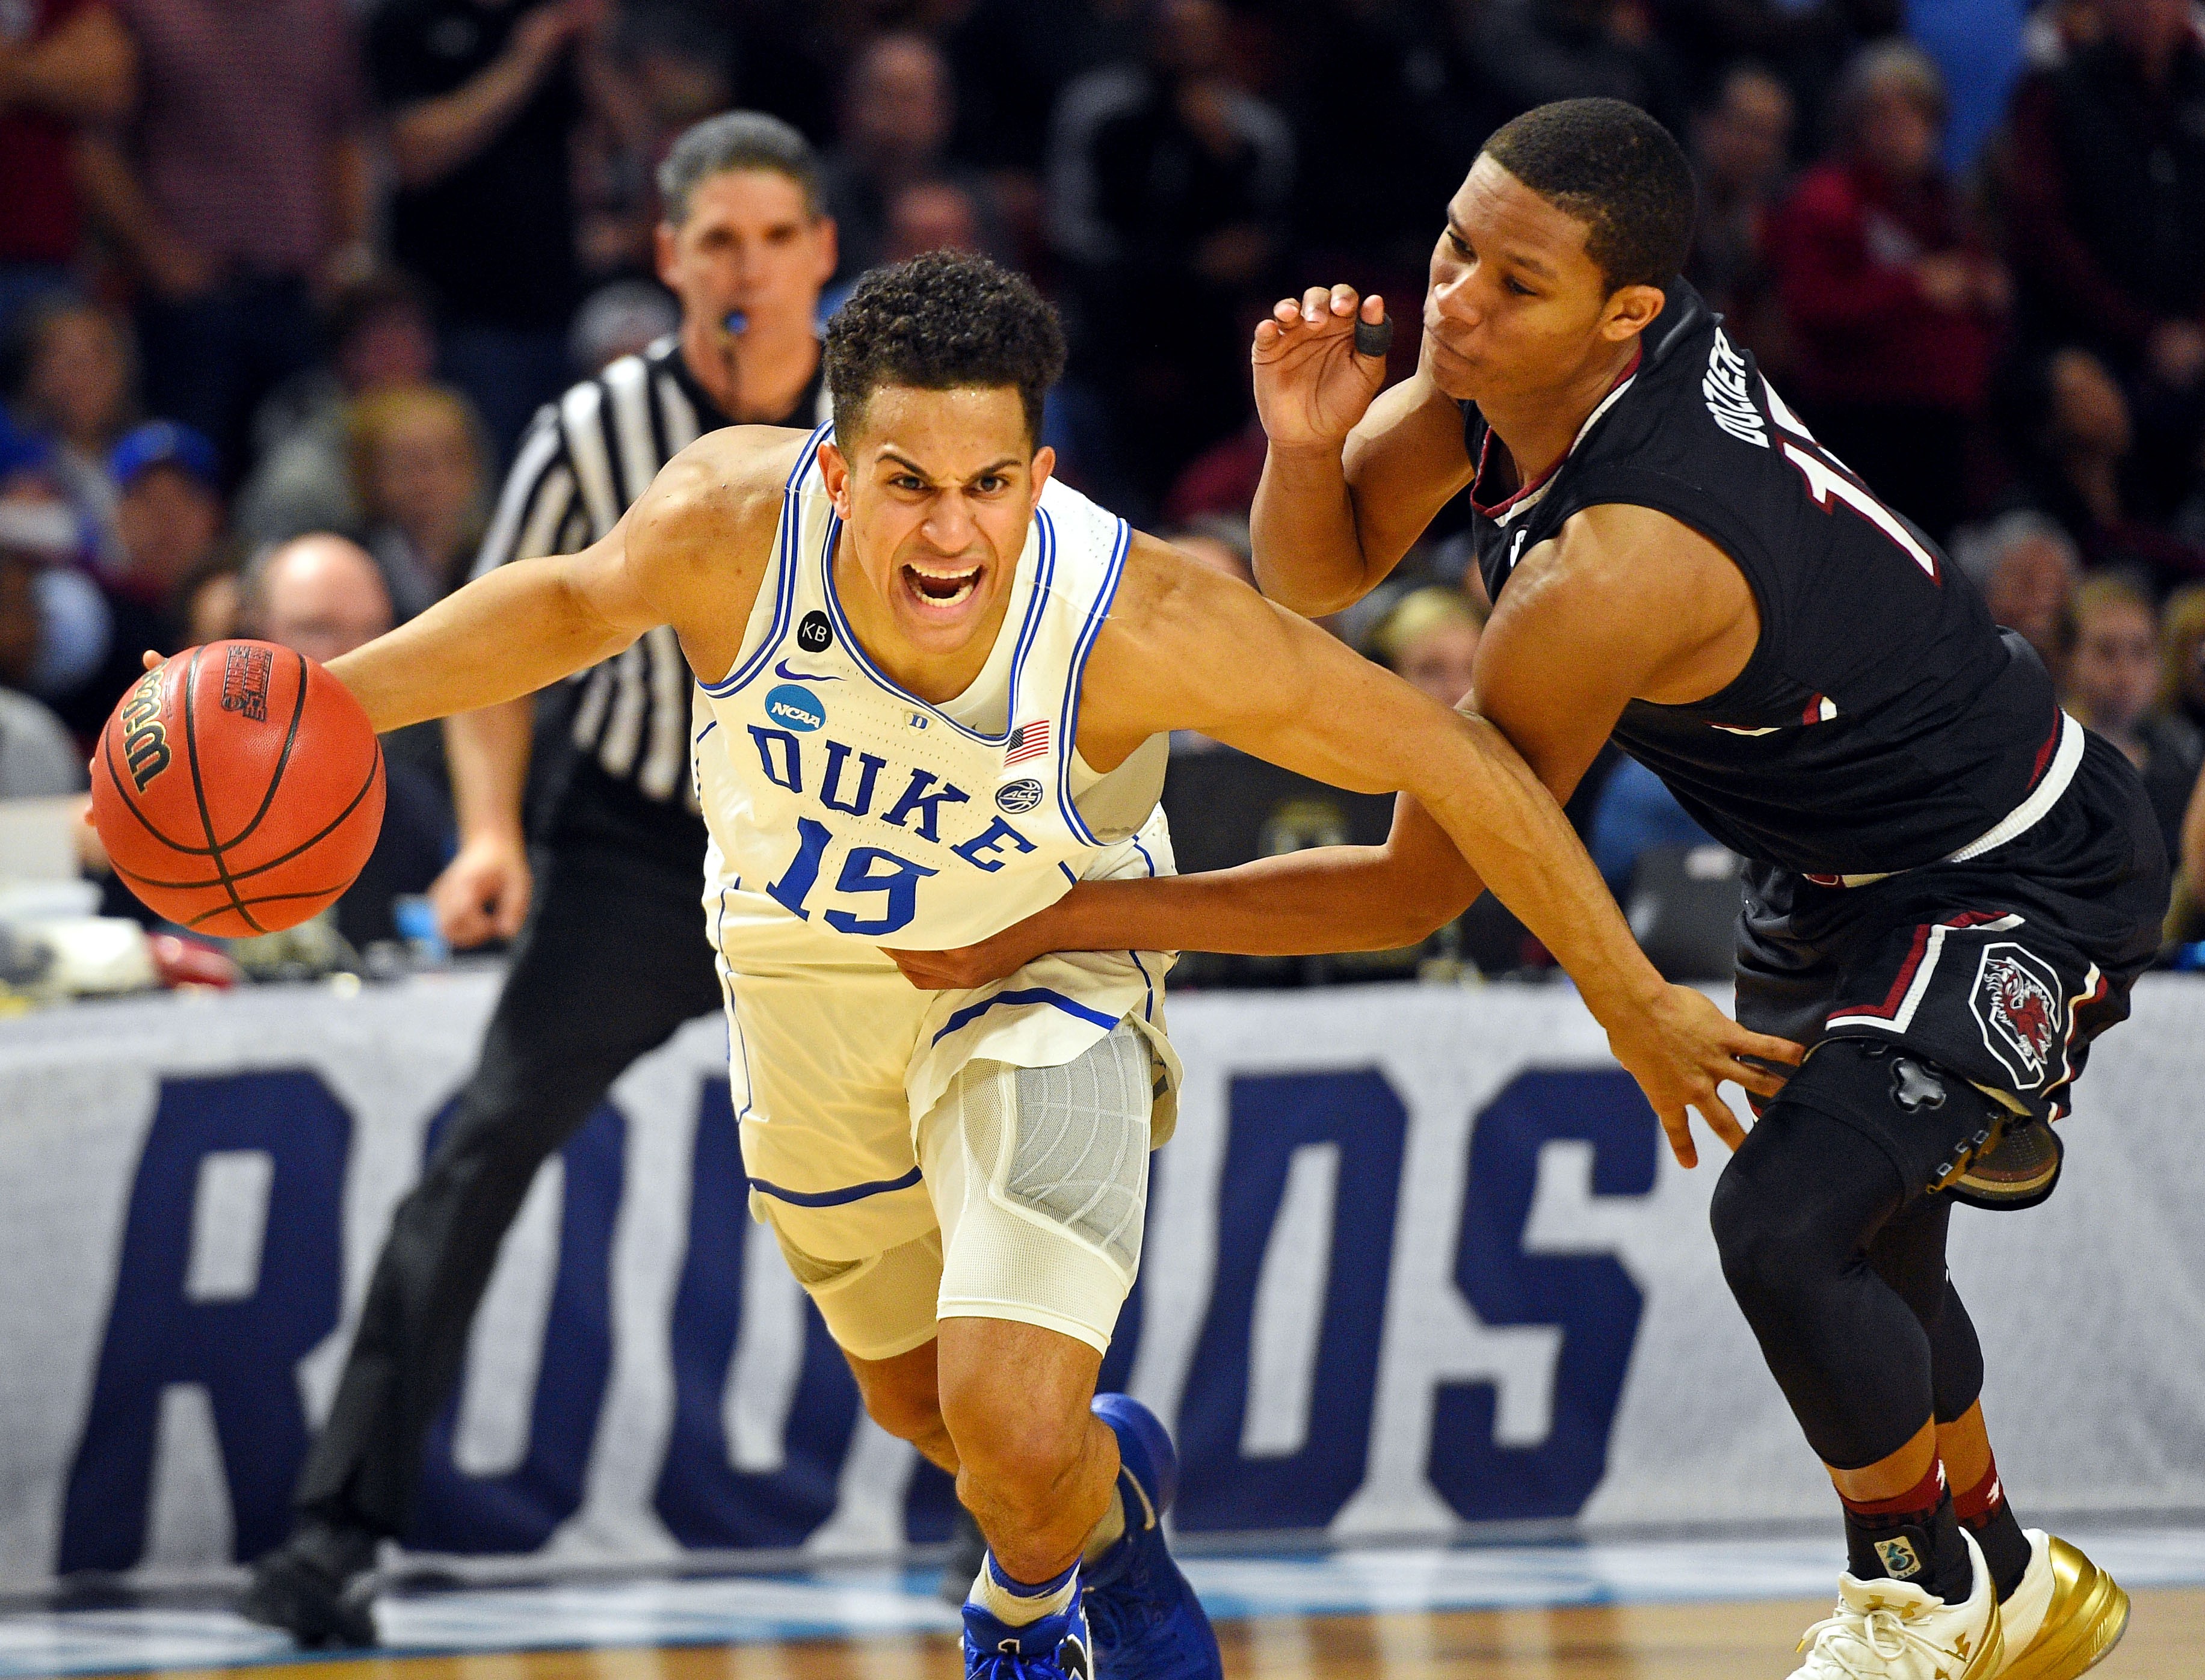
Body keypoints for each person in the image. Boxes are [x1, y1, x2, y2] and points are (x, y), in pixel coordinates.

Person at [280, 245, 1779, 1680]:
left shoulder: (1137, 622)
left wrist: (1627, 994)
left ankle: (1019, 1618)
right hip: (803, 992)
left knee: (1005, 1433)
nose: (952, 533)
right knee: (923, 1405)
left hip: (1044, 983)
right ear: (831, 472)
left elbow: (1452, 765)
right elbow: (558, 606)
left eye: (990, 486)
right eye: (910, 484)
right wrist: (310, 703)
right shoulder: (729, 524)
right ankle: (1108, 1518)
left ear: (1040, 478)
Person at [892, 100, 2167, 1680]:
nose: (1453, 302)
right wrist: (1301, 447)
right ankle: (2003, 1576)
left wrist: (1079, 912)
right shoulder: (1518, 362)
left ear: (1623, 313)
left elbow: (1416, 887)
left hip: (2009, 866)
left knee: (1784, 1228)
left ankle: (1913, 1599)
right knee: (1878, 1252)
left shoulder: (1606, 570)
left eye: (1510, 281)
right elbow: (1323, 564)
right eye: (1451, 247)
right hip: (1831, 863)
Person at [239, 109, 838, 1648]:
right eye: (717, 240)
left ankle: (1052, 1514)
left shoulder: (892, 426)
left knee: (978, 1138)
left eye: (777, 238)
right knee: (487, 1144)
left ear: (822, 255)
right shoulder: (594, 430)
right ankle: (334, 1528)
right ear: (667, 258)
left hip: (850, 852)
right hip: (638, 839)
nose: (747, 269)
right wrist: (495, 830)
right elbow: (504, 643)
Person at [81, 0, 371, 478]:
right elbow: (97, 146)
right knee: (184, 471)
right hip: (190, 297)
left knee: (304, 472)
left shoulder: (320, 16)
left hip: (298, 292)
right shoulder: (147, 12)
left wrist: (347, 255)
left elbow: (344, 139)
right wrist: (159, 256)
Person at [1768, 42, 2007, 542]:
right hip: (1860, 424)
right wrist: (1914, 287)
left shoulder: (1948, 204)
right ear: (1852, 121)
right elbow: (1812, 306)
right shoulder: (1826, 201)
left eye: (1913, 112)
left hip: (1945, 432)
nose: (1899, 127)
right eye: (1881, 112)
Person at [239, 534, 452, 949]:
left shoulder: (416, 808)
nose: (358, 656)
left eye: (374, 631)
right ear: (250, 638)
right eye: (318, 629)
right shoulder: (177, 780)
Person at [2062, 574, 2200, 862]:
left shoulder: (2179, 759)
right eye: (2106, 652)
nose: (2125, 674)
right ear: (2067, 658)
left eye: (2140, 653)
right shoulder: (2038, 757)